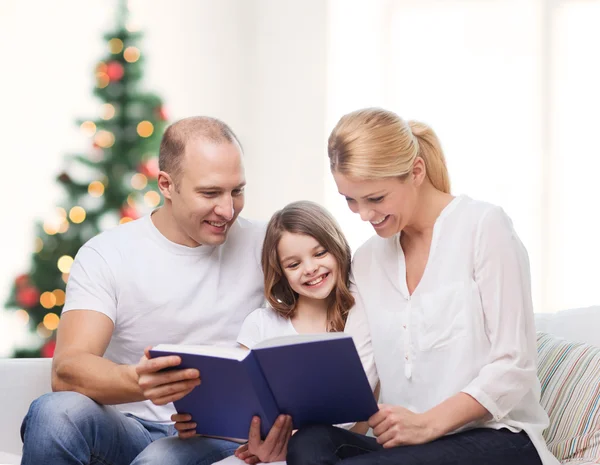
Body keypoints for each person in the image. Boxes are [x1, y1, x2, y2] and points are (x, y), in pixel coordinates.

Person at [286, 108, 560, 465]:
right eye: (350, 200)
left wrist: (427, 424)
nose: (363, 214)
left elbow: (514, 366)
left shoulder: (483, 227)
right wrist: (283, 428)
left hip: (499, 439)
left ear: (416, 172)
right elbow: (359, 372)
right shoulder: (368, 260)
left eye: (376, 198)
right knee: (310, 442)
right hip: (412, 449)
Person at [20, 116, 268, 465]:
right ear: (166, 185)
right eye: (210, 193)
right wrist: (137, 381)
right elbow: (67, 369)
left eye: (237, 191)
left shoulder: (268, 245)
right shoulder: (107, 253)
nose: (228, 210)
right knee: (55, 414)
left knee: (158, 461)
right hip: (131, 427)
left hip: (223, 437)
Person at [146, 201, 378, 465]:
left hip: (331, 451)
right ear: (280, 273)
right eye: (294, 264)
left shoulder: (360, 319)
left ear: (337, 247)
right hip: (265, 451)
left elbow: (361, 417)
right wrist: (201, 423)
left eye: (320, 253)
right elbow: (243, 405)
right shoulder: (262, 324)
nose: (310, 268)